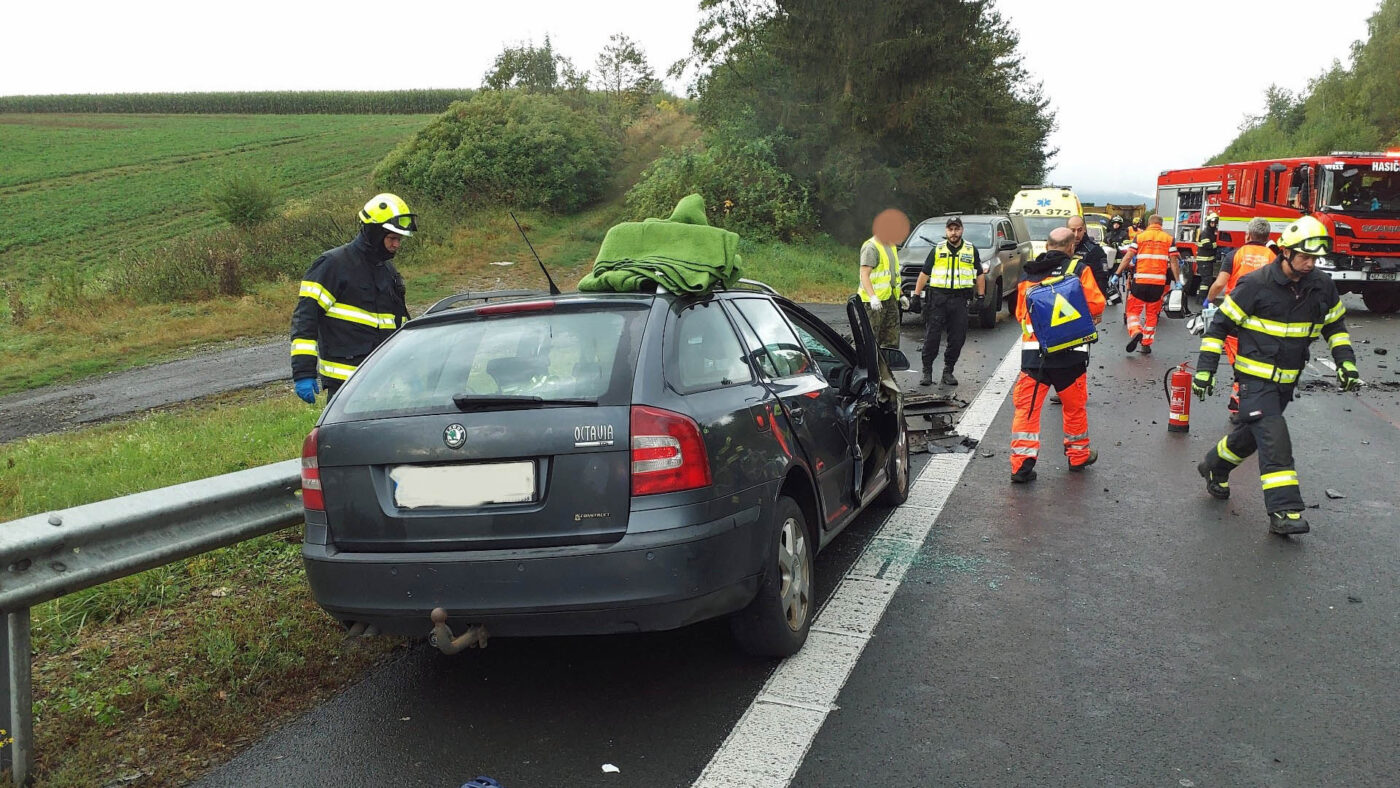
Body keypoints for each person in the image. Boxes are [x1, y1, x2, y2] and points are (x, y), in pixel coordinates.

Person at [1192, 216, 1360, 536]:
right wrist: (1205, 371)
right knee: (1274, 437)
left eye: (1315, 258)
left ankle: (1215, 466)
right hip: (1254, 381)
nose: (1311, 264)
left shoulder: (1321, 286)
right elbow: (1218, 329)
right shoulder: (1254, 285)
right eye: (1305, 257)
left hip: (1286, 381)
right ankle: (1284, 510)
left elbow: (1336, 328)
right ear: (1285, 252)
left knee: (1252, 435)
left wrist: (1346, 364)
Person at [290, 193, 415, 403]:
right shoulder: (332, 265)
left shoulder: (388, 272)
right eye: (392, 238)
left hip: (383, 384)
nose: (397, 245)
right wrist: (303, 371)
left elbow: (399, 324)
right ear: (375, 233)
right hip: (345, 387)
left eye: (399, 239)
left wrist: (411, 370)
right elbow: (305, 319)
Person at [1008, 227, 1105, 482]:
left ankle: (1021, 466)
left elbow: (1020, 313)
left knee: (1027, 411)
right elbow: (1097, 305)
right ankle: (1078, 456)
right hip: (1070, 355)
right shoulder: (1080, 270)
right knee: (1074, 409)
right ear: (1071, 247)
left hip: (1034, 357)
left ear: (1047, 246)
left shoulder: (1028, 273)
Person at [1205, 218, 1277, 410]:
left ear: (1248, 235)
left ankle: (1239, 398)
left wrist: (1209, 300)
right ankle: (1239, 398)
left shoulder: (1234, 255)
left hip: (1236, 317)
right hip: (1263, 320)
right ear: (1267, 237)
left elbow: (1220, 283)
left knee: (1239, 361)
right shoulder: (1273, 258)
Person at [910, 216, 986, 386]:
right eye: (950, 229)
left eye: (956, 229)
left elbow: (979, 274)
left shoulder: (970, 249)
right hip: (938, 300)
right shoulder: (937, 249)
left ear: (962, 230)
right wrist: (916, 296)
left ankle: (948, 371)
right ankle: (927, 371)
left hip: (959, 301)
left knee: (957, 338)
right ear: (946, 231)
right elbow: (924, 273)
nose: (953, 232)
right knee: (932, 337)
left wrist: (980, 297)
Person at [1109, 214, 1183, 355]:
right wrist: (1178, 281)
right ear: (1161, 225)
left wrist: (1117, 274)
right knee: (1152, 314)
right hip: (1158, 285)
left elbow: (1128, 257)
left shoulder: (1140, 237)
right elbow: (1174, 261)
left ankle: (1136, 330)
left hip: (1140, 282)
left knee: (1132, 311)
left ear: (1149, 223)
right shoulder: (1168, 239)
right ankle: (1146, 344)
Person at [858, 223, 902, 351]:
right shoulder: (871, 247)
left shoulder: (891, 246)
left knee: (891, 339)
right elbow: (864, 275)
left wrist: (902, 295)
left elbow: (892, 275)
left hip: (890, 299)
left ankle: (886, 368)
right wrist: (873, 297)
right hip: (873, 303)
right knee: (870, 339)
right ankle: (867, 368)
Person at [1068, 215, 1110, 295]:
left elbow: (1102, 281)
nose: (1076, 235)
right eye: (1073, 230)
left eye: (1079, 230)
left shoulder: (1094, 250)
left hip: (1086, 299)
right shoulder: (1061, 248)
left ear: (1084, 229)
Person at [1191, 212, 1220, 303]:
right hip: (1204, 260)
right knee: (1206, 280)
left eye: (1215, 223)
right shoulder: (1205, 233)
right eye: (1212, 223)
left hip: (1208, 260)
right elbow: (1206, 245)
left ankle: (1201, 297)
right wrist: (1217, 244)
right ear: (1208, 223)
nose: (1213, 224)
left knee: (1207, 280)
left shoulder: (1212, 233)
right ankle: (1201, 299)